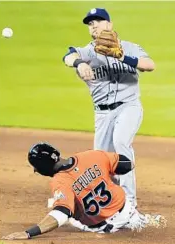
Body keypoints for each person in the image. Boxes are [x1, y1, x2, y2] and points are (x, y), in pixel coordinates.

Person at [63, 8, 155, 208]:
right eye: (90, 23)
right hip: (102, 113)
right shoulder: (87, 52)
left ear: (110, 25)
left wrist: (122, 57)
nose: (94, 25)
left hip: (129, 107)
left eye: (98, 21)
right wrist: (79, 64)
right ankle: (111, 204)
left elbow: (149, 65)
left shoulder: (130, 48)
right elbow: (68, 56)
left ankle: (130, 203)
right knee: (101, 160)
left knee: (121, 142)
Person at [2, 142, 166, 240]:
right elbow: (126, 164)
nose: (35, 171)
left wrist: (29, 233)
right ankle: (139, 220)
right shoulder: (91, 155)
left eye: (36, 168)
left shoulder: (60, 182)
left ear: (43, 167)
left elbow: (61, 214)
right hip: (128, 210)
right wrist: (98, 176)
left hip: (105, 228)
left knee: (65, 209)